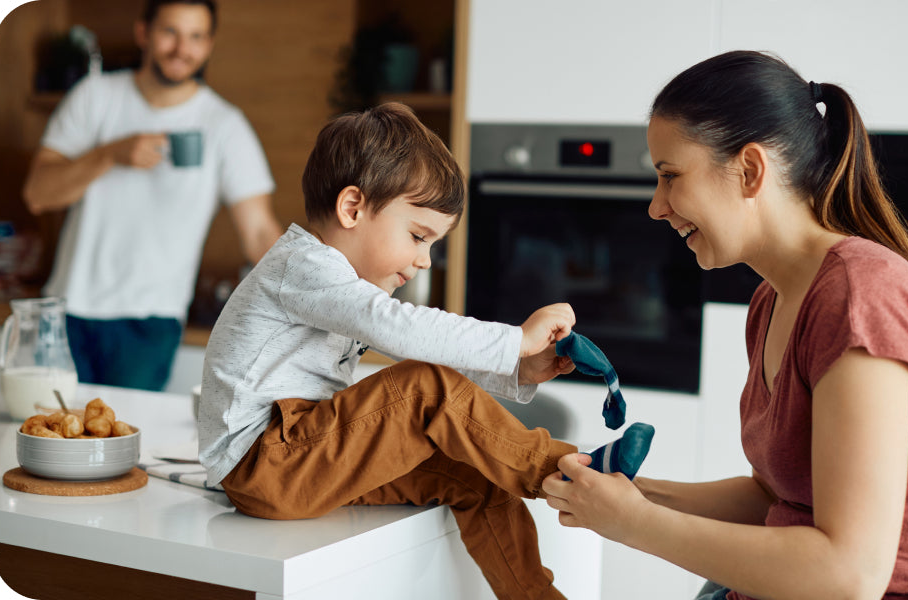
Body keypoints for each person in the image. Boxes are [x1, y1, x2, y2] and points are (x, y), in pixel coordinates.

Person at [543, 50, 908, 600]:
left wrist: (634, 524)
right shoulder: (773, 301)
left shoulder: (861, 297)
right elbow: (776, 499)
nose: (656, 206)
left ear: (749, 170)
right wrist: (626, 496)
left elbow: (850, 574)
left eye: (670, 176)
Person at [197, 102, 653, 600]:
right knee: (421, 387)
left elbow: (440, 374)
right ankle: (570, 470)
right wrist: (515, 339)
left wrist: (518, 369)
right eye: (418, 236)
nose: (424, 260)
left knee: (477, 475)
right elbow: (406, 340)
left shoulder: (339, 286)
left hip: (300, 460)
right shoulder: (303, 266)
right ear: (352, 208)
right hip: (265, 463)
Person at [22, 0, 282, 391]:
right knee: (47, 441)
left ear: (209, 44)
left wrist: (319, 300)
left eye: (196, 36)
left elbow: (261, 232)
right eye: (170, 32)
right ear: (143, 32)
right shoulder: (94, 96)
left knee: (123, 447)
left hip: (150, 324)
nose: (182, 49)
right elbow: (37, 193)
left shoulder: (225, 126)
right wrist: (109, 154)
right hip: (65, 310)